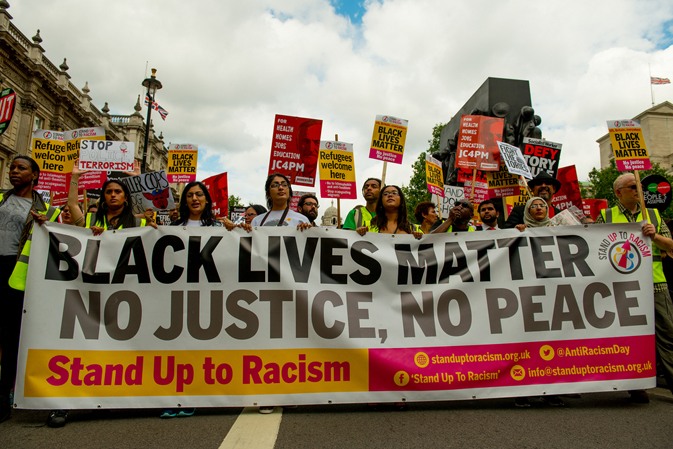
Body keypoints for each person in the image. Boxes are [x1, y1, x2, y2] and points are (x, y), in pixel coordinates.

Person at [596, 173, 673, 403]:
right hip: (622, 287)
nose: (637, 190)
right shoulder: (606, 216)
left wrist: (655, 235)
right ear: (619, 192)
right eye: (632, 187)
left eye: (638, 185)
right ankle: (636, 385)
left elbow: (670, 247)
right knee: (630, 337)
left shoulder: (654, 215)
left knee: (668, 335)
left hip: (655, 284)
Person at [0, 156, 60, 424]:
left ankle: (3, 396)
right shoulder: (0, 199)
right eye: (12, 167)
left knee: (11, 337)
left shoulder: (47, 211)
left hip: (16, 277)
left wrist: (44, 225)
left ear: (34, 175)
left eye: (20, 168)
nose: (14, 171)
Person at [68, 160, 156, 234]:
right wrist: (74, 177)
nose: (113, 195)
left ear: (126, 197)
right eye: (108, 192)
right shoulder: (90, 219)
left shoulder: (139, 223)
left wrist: (137, 180)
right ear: (104, 198)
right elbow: (73, 205)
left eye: (118, 191)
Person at [245, 173, 311, 231]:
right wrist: (239, 230)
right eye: (275, 185)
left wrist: (306, 231)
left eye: (284, 185)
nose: (280, 188)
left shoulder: (302, 220)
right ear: (268, 194)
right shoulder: (257, 221)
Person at [356, 185, 422, 239]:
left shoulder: (415, 229)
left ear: (401, 200)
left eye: (394, 193)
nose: (390, 195)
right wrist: (357, 235)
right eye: (385, 194)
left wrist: (420, 238)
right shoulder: (368, 226)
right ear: (381, 202)